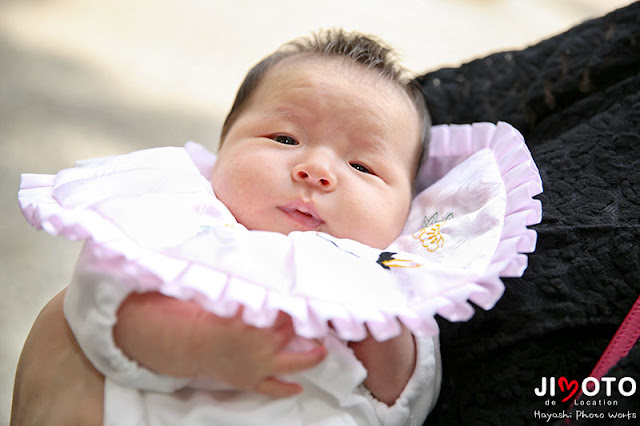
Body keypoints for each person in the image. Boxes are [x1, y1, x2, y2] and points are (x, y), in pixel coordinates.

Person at [13, 29, 440, 426]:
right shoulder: (190, 214)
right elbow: (98, 298)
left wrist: (382, 333)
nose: (317, 170)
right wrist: (197, 345)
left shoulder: (390, 273)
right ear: (223, 150)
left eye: (362, 165)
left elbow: (406, 396)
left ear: (409, 208)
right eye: (285, 139)